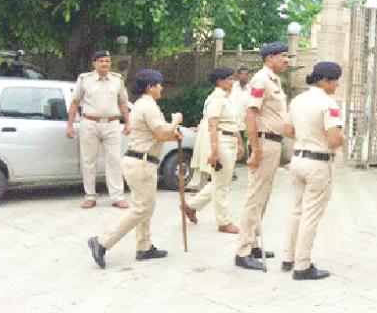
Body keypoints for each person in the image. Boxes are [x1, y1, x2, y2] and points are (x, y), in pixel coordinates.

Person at [87, 69, 183, 269]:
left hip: (140, 161)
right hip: (142, 163)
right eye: (159, 84)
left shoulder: (144, 105)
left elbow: (156, 133)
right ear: (150, 87)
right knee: (142, 208)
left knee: (145, 206)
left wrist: (173, 133)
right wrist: (175, 122)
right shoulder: (148, 106)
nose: (161, 88)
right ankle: (103, 241)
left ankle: (144, 246)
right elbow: (161, 133)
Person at [281, 62, 344, 280]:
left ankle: (288, 258)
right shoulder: (328, 103)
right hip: (318, 162)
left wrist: (307, 137)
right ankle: (302, 266)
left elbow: (287, 129)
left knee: (297, 210)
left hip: (298, 159)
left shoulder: (298, 100)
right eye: (335, 80)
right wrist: (340, 139)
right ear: (325, 81)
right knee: (310, 214)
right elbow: (334, 139)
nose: (336, 85)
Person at [234, 43, 290, 270]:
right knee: (254, 196)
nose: (287, 60)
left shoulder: (274, 80)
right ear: (269, 58)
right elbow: (250, 115)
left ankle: (254, 243)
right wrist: (255, 150)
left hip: (273, 143)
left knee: (263, 196)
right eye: (283, 56)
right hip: (264, 143)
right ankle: (243, 250)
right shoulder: (260, 80)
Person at [183, 67, 245, 233]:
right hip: (221, 141)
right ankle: (223, 222)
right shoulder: (215, 99)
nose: (232, 82)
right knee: (221, 185)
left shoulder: (228, 99)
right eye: (229, 79)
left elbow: (234, 124)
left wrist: (239, 143)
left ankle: (191, 206)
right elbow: (213, 125)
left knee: (221, 181)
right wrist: (215, 150)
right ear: (219, 81)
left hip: (230, 139)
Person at [66, 50, 131, 209]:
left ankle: (117, 197)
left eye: (107, 61)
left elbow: (123, 103)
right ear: (94, 64)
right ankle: (90, 196)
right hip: (90, 123)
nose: (105, 64)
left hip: (112, 124)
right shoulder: (84, 79)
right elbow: (75, 103)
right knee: (88, 161)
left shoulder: (117, 80)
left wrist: (128, 123)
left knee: (114, 161)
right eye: (101, 61)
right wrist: (70, 125)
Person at [230, 67, 251, 160]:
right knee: (232, 145)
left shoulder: (252, 89)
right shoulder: (232, 87)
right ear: (238, 76)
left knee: (245, 144)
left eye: (246, 74)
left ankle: (245, 159)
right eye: (242, 74)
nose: (244, 76)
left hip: (245, 122)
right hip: (232, 122)